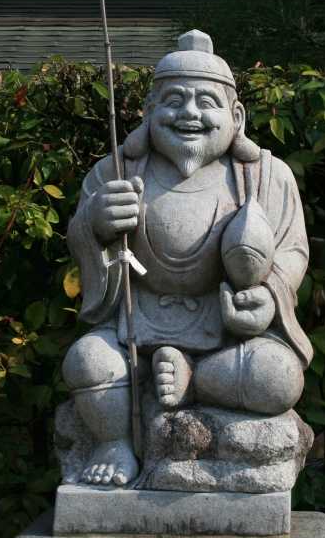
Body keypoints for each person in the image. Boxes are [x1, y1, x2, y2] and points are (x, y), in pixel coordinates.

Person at [63, 30, 311, 487]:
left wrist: (270, 296)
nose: (190, 113)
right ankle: (114, 443)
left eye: (206, 102)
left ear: (236, 115)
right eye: (174, 100)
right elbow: (80, 243)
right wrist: (95, 226)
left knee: (278, 377)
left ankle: (191, 380)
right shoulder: (113, 172)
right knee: (88, 360)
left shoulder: (267, 177)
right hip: (134, 328)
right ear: (149, 112)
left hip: (227, 336)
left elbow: (292, 249)